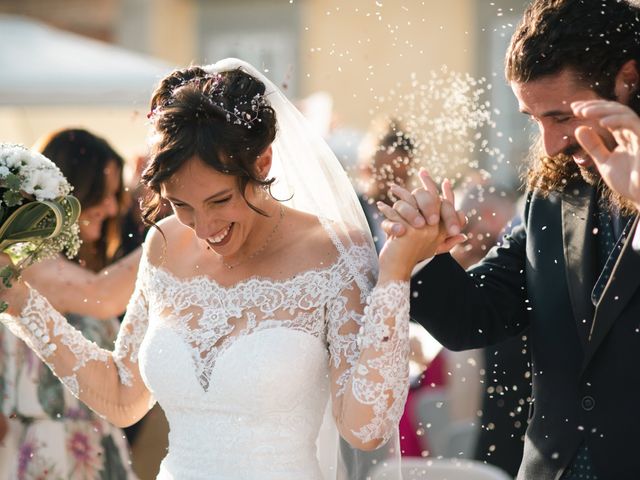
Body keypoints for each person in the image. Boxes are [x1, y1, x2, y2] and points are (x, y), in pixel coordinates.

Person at [0, 59, 435, 480]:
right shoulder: (164, 245)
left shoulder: (334, 251)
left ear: (262, 163)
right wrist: (21, 304)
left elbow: (365, 427)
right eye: (182, 205)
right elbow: (121, 395)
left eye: (219, 201)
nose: (204, 228)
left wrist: (395, 273)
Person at [378, 0, 640, 478]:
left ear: (629, 78)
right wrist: (422, 254)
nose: (550, 144)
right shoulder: (552, 189)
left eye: (562, 117)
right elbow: (474, 318)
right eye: (534, 120)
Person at [0, 128, 140, 479]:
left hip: (95, 443)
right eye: (103, 194)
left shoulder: (69, 265)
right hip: (51, 453)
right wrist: (175, 236)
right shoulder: (27, 264)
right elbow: (104, 296)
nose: (112, 207)